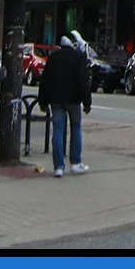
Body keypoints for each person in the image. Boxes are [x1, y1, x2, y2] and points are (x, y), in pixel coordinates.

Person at [38, 31, 91, 177]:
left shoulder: (53, 58)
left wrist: (42, 101)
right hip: (73, 100)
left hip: (56, 100)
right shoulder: (78, 58)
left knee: (57, 130)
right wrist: (87, 103)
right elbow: (83, 82)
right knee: (75, 128)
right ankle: (75, 163)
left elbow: (45, 81)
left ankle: (58, 167)